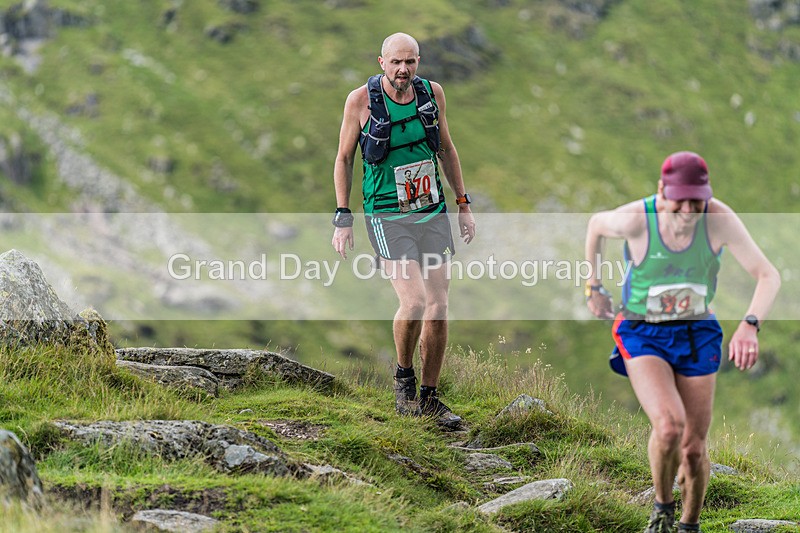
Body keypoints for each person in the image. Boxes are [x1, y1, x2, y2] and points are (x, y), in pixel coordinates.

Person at [585, 151, 780, 533]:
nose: (689, 210)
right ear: (662, 190)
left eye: (697, 200)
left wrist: (749, 326)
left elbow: (767, 275)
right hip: (643, 332)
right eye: (680, 200)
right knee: (670, 426)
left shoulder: (718, 218)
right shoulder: (637, 219)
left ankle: (690, 526)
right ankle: (663, 510)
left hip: (696, 332)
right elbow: (594, 225)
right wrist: (593, 287)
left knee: (693, 448)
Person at [331, 33, 476, 428]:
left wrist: (463, 204)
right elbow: (344, 159)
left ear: (418, 62)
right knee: (412, 302)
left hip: (430, 211)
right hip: (386, 214)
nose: (403, 70)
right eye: (396, 62)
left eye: (410, 62)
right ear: (381, 62)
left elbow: (446, 148)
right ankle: (403, 377)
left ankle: (429, 397)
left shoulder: (433, 94)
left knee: (439, 306)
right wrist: (343, 216)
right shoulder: (360, 101)